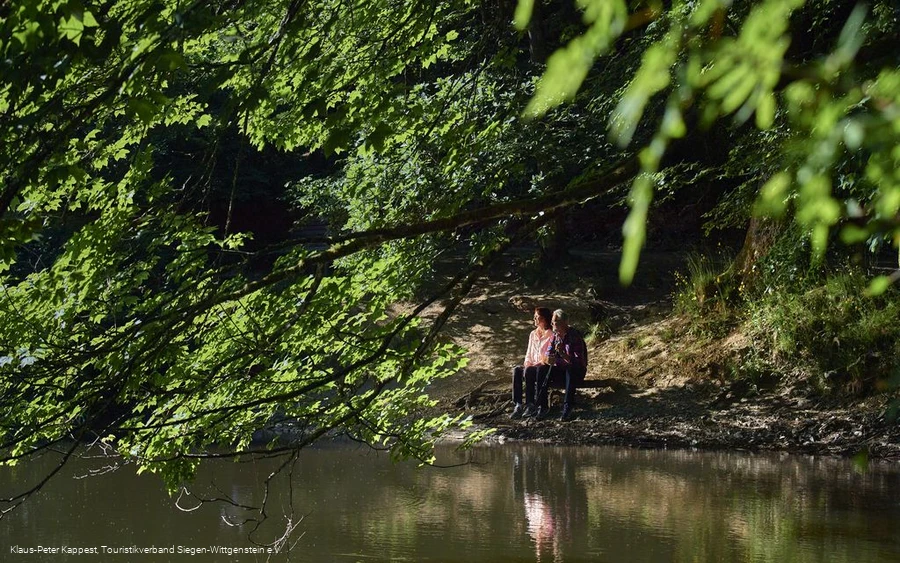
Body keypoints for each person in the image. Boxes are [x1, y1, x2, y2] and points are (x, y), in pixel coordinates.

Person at [535, 309, 587, 421]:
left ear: (564, 323)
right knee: (542, 370)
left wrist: (563, 354)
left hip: (575, 372)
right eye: (553, 322)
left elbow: (578, 362)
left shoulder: (574, 336)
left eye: (556, 322)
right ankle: (542, 406)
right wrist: (548, 359)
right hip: (561, 369)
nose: (553, 324)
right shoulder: (555, 336)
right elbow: (548, 354)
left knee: (570, 369)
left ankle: (567, 407)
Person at [510, 307, 553, 419]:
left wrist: (535, 364)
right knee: (516, 370)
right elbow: (529, 352)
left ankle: (530, 404)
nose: (534, 319)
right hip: (531, 365)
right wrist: (527, 363)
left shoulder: (551, 335)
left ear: (544, 318)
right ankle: (518, 404)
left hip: (541, 366)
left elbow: (548, 356)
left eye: (537, 317)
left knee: (529, 370)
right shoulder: (533, 334)